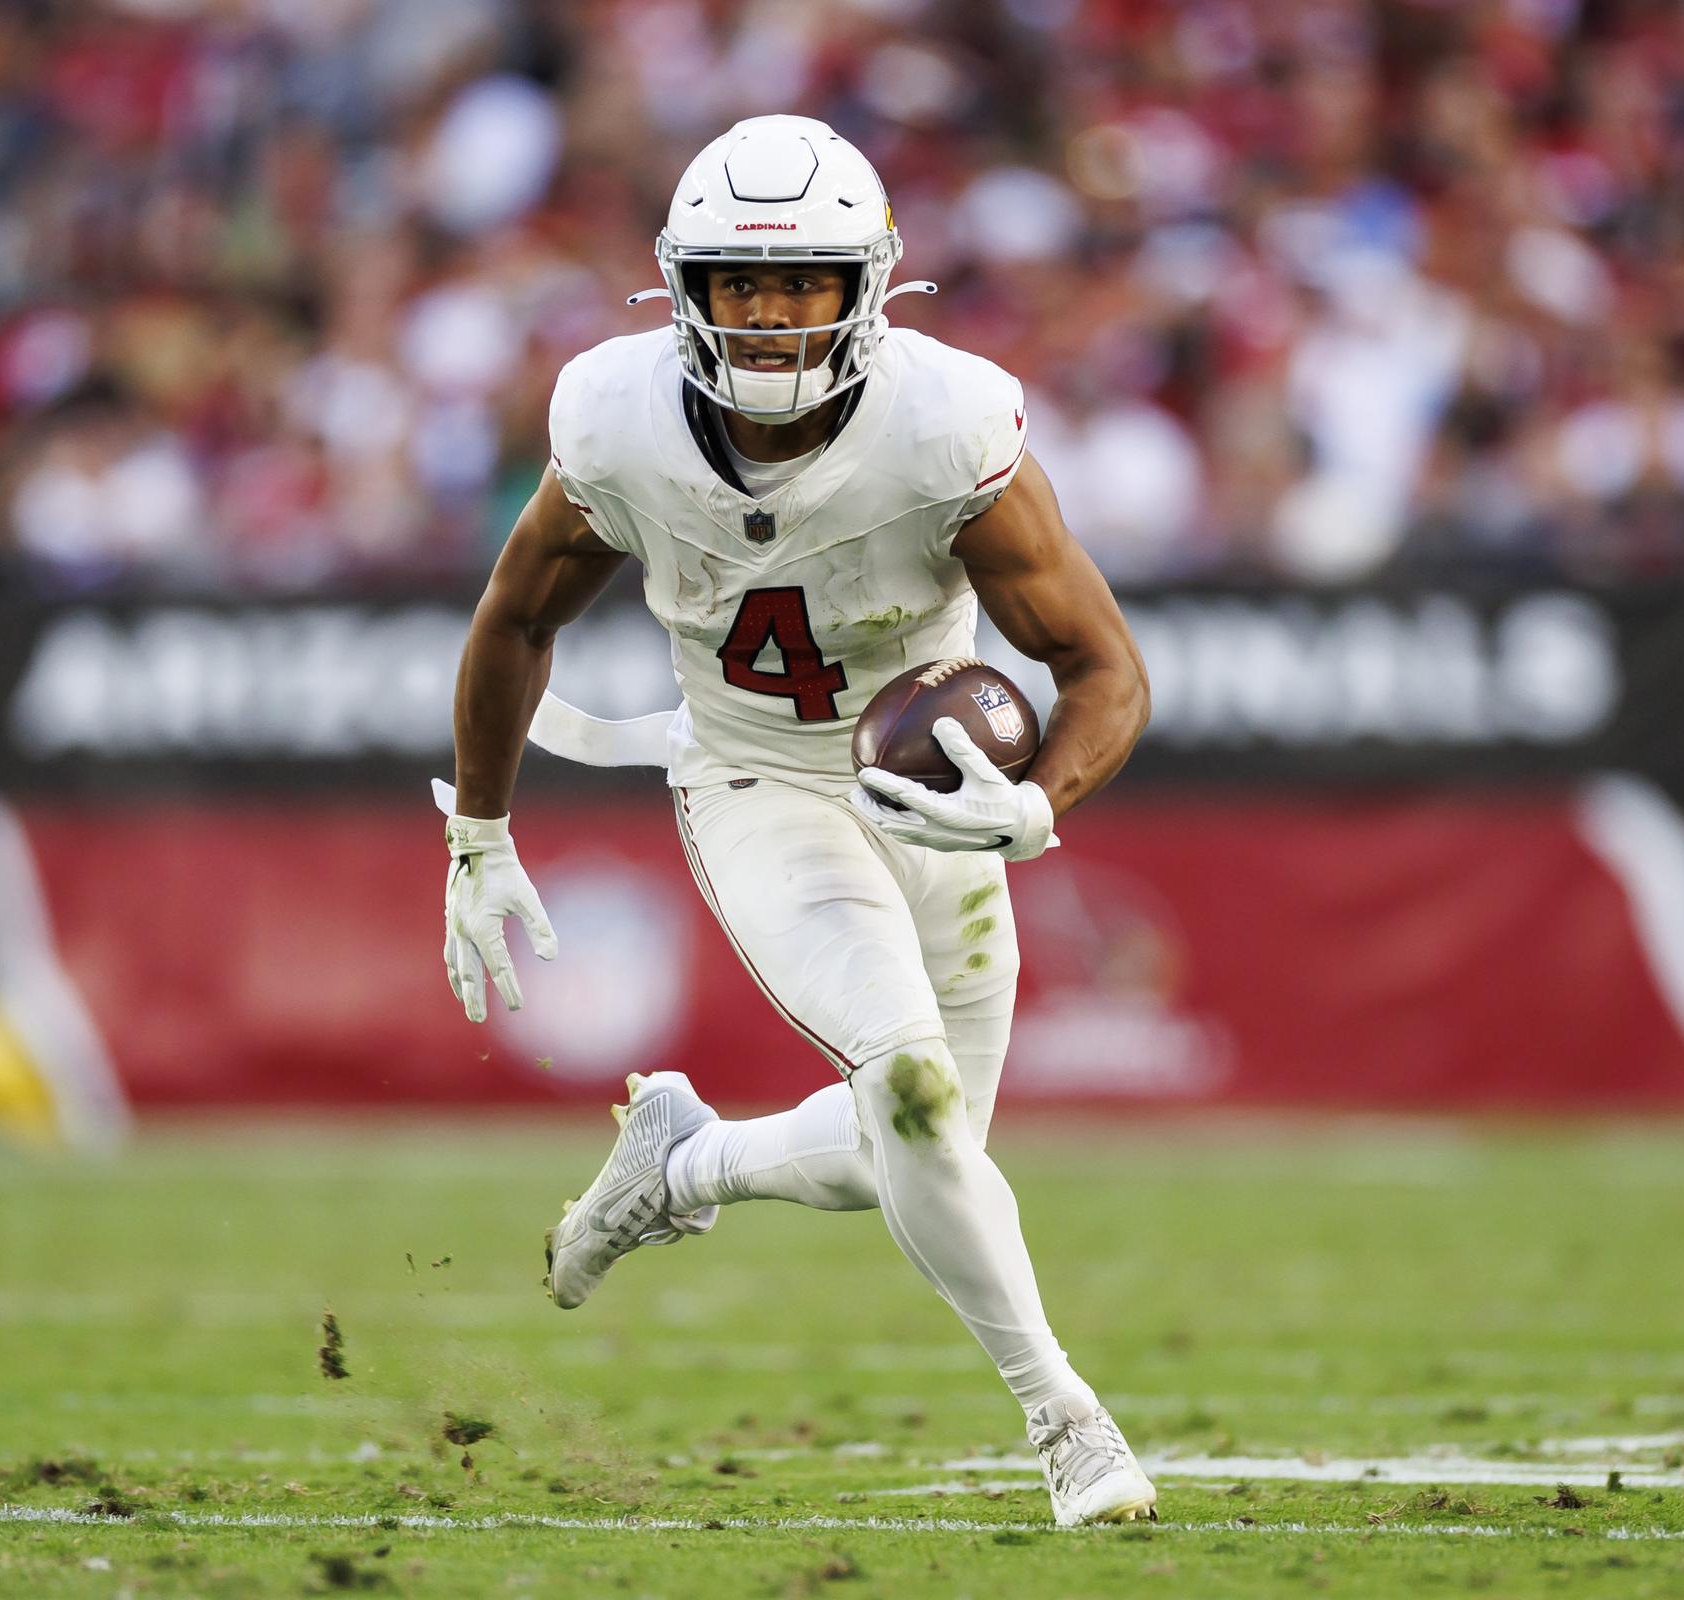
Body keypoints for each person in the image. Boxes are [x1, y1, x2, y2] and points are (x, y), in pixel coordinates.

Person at [440, 117, 1156, 1526]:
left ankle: (683, 1160)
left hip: (935, 807)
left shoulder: (945, 426)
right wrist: (479, 831)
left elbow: (1105, 670)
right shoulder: (618, 417)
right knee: (912, 1097)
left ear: (868, 286)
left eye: (804, 284)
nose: (770, 319)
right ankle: (1066, 1421)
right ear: (683, 288)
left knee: (919, 1145)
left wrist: (1034, 801)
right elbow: (516, 616)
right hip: (761, 783)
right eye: (739, 285)